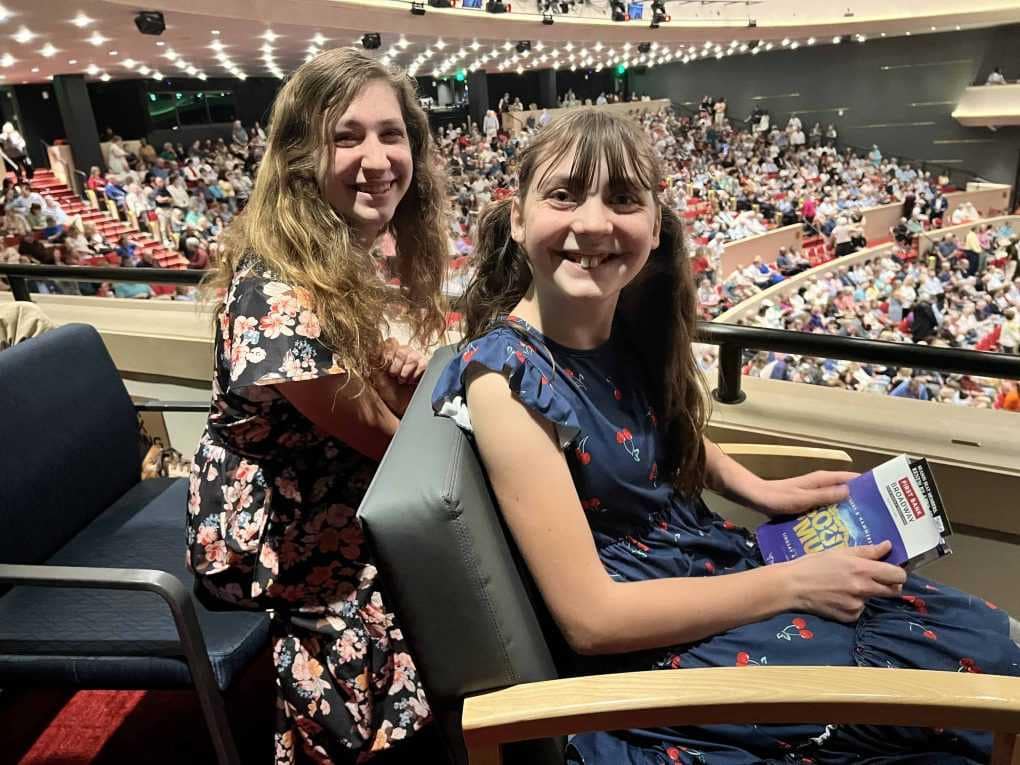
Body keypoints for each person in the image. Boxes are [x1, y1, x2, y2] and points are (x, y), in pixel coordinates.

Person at [430, 108, 1020, 764]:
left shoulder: (617, 331)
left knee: (991, 640)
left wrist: (760, 488)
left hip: (716, 574)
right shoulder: (504, 377)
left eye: (623, 198)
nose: (593, 222)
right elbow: (592, 619)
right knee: (961, 701)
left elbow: (651, 432)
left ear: (654, 226)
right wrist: (795, 583)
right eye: (565, 194)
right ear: (518, 218)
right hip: (657, 654)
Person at [187, 48, 449, 764]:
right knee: (408, 592)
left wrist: (401, 379)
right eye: (347, 136)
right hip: (267, 527)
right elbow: (389, 443)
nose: (377, 157)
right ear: (303, 156)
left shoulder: (338, 253)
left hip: (328, 484)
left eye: (391, 133)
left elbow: (373, 401)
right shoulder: (276, 293)